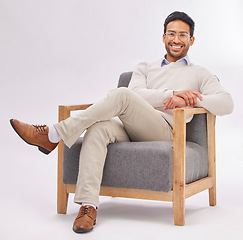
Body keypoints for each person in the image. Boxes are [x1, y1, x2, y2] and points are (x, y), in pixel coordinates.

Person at [10, 11, 234, 233]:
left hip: (166, 130)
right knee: (98, 128)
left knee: (121, 95)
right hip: (131, 125)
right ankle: (88, 206)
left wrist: (191, 97)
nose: (176, 40)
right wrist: (171, 93)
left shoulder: (199, 73)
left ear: (191, 40)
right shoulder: (145, 67)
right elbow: (136, 94)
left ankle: (53, 135)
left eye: (183, 35)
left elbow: (227, 103)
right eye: (171, 34)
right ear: (163, 37)